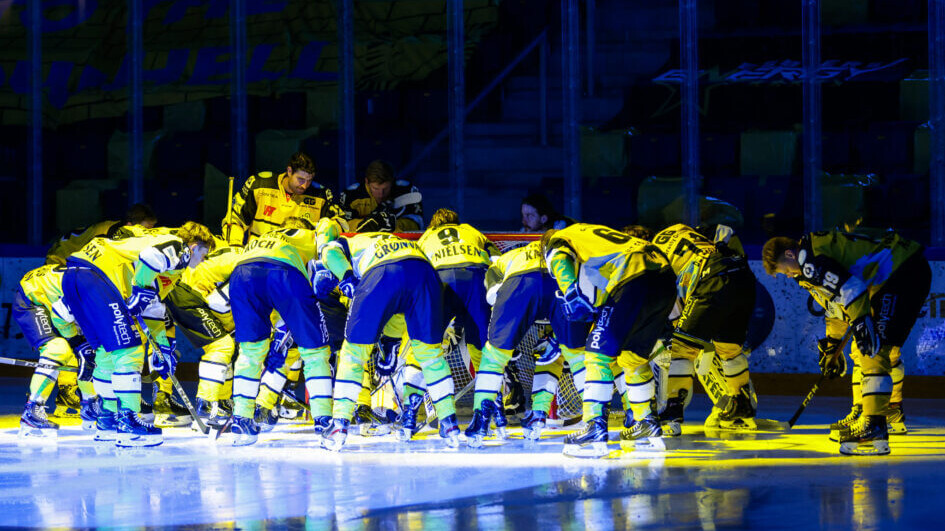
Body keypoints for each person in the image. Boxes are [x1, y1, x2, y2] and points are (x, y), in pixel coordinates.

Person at [762, 230, 930, 456]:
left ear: (790, 254)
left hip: (900, 272)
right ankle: (869, 414)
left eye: (785, 270)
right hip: (897, 273)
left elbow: (851, 289)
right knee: (865, 347)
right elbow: (837, 305)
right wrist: (832, 343)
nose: (789, 276)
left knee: (873, 348)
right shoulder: (808, 262)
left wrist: (861, 322)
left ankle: (876, 422)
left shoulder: (810, 262)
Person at [60, 222, 215, 447]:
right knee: (130, 350)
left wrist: (163, 347)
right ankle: (128, 422)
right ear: (193, 246)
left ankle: (107, 419)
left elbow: (152, 306)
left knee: (106, 354)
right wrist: (141, 288)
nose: (204, 259)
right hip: (96, 277)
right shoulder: (179, 247)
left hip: (75, 274)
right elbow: (151, 257)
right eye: (204, 252)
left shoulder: (168, 267)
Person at [315, 222, 459, 450]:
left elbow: (329, 252)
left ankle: (338, 426)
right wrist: (391, 343)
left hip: (383, 272)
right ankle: (450, 423)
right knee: (431, 355)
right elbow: (400, 307)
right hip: (425, 273)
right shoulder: (389, 239)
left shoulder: (347, 241)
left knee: (352, 354)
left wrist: (346, 277)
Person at [541, 224, 677, 457]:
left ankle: (594, 426)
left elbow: (560, 258)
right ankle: (647, 423)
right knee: (632, 358)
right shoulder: (590, 235)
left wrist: (570, 294)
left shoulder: (558, 239)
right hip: (664, 276)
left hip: (633, 277)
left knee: (596, 355)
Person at [465, 239, 590, 447]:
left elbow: (492, 295)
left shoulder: (509, 256)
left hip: (520, 283)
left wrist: (507, 337)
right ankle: (590, 420)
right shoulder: (571, 251)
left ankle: (481, 420)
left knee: (494, 355)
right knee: (576, 355)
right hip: (560, 284)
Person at [223, 224, 336, 446]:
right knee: (315, 352)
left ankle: (241, 419)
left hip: (242, 273)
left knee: (250, 352)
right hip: (283, 273)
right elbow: (328, 229)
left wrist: (281, 338)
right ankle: (323, 420)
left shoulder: (262, 238)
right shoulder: (306, 234)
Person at [643, 223, 759, 433]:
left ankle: (673, 411)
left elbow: (672, 304)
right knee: (729, 349)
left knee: (682, 349)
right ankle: (740, 404)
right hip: (743, 275)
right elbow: (725, 229)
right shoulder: (683, 228)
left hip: (710, 276)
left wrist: (674, 330)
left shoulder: (649, 255)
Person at [13, 264, 99, 438]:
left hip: (58, 298)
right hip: (33, 298)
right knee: (58, 348)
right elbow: (60, 317)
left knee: (88, 349)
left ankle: (90, 407)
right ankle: (32, 412)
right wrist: (77, 342)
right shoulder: (91, 289)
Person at [222, 151, 343, 247]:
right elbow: (235, 219)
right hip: (259, 255)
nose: (305, 186)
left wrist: (325, 231)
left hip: (298, 260)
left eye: (309, 180)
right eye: (301, 179)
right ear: (289, 171)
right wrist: (235, 245)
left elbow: (339, 224)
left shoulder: (321, 195)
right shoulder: (259, 184)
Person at [340, 160, 424, 232]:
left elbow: (418, 223)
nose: (381, 194)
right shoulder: (351, 194)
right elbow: (342, 224)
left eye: (385, 188)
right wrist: (365, 224)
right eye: (375, 189)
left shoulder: (407, 191)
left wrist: (395, 224)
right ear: (367, 182)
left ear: (393, 182)